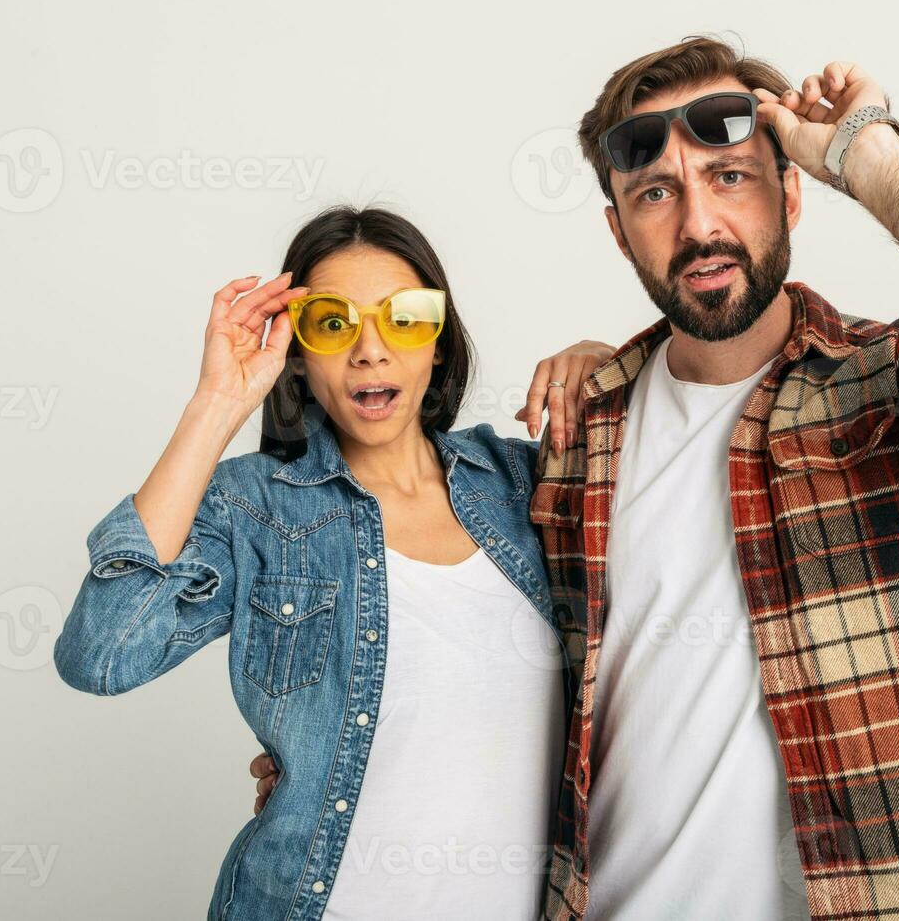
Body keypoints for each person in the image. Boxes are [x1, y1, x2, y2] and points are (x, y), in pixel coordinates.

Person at [254, 37, 899, 920]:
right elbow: (468, 644)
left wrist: (878, 161)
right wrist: (322, 755)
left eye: (729, 177)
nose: (697, 225)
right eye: (656, 193)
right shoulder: (575, 434)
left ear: (793, 193)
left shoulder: (886, 393)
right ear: (619, 231)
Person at [54, 205, 613, 920]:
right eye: (332, 323)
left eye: (404, 318)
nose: (371, 350)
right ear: (297, 352)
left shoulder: (523, 484)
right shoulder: (254, 506)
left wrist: (614, 365)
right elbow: (100, 655)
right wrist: (217, 402)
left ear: (439, 341)